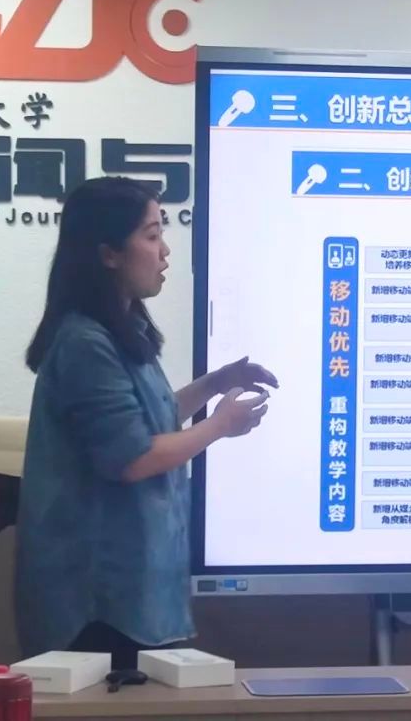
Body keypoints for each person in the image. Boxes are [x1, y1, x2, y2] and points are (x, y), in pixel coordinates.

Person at [14, 176, 277, 669]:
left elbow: (152, 419)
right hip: (98, 605)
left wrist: (216, 382)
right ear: (109, 254)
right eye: (152, 235)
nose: (165, 252)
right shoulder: (85, 342)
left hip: (136, 597)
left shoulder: (122, 329)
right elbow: (133, 458)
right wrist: (220, 425)